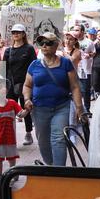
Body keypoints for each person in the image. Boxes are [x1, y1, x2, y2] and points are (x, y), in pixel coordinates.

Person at [22, 32, 83, 166]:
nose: (44, 46)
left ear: (56, 45)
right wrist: (27, 99)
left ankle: (58, 171)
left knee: (58, 139)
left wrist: (80, 108)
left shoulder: (65, 63)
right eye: (41, 43)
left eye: (48, 43)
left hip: (61, 107)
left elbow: (75, 87)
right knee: (43, 140)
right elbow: (27, 85)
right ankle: (50, 166)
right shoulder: (34, 65)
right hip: (39, 109)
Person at [0, 75, 28, 188]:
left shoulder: (12, 103)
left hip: (10, 137)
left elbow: (21, 114)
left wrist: (28, 109)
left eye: (4, 86)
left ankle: (12, 173)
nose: (3, 89)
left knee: (11, 157)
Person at [3, 23, 36, 146]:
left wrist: (32, 83)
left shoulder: (29, 49)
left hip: (25, 83)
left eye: (18, 32)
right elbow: (3, 68)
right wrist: (2, 85)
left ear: (23, 34)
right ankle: (10, 135)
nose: (15, 34)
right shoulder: (8, 50)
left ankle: (28, 133)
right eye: (13, 32)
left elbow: (34, 66)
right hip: (10, 84)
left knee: (25, 108)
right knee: (9, 110)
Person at [73, 24, 95, 113]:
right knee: (75, 90)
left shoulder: (89, 42)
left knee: (86, 91)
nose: (75, 32)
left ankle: (87, 109)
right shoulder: (72, 41)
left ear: (82, 31)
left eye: (77, 30)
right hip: (74, 70)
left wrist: (89, 55)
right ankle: (76, 109)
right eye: (74, 30)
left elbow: (93, 53)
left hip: (85, 70)